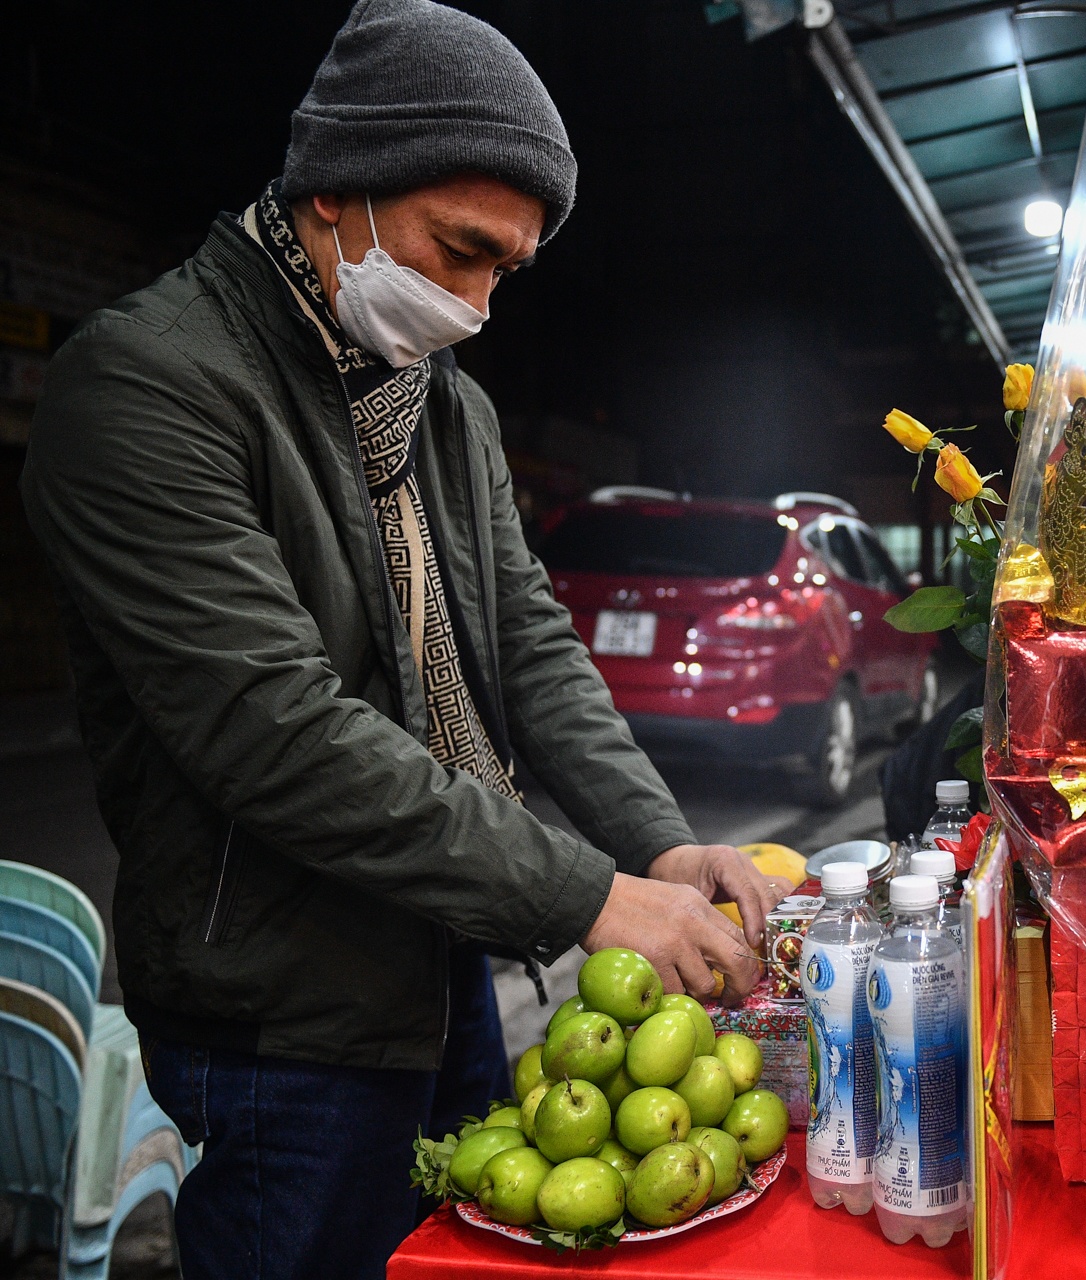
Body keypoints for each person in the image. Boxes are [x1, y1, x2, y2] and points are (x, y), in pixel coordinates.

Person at [20, 3, 790, 1275]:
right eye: (458, 251)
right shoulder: (147, 388)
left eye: (506, 271)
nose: (479, 303)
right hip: (282, 1018)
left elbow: (531, 644)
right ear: (336, 189)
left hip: (446, 968)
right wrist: (587, 895)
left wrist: (659, 837)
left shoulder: (442, 403)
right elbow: (282, 733)